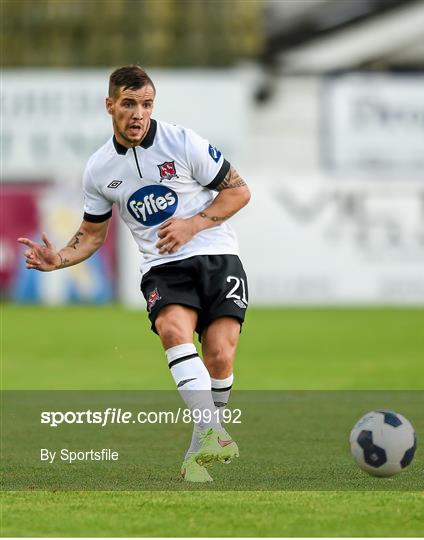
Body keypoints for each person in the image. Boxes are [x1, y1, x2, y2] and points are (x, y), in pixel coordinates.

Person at [18, 65, 251, 483]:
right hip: (162, 266)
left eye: (146, 104)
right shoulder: (100, 169)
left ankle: (200, 447)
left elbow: (238, 191)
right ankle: (214, 434)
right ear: (110, 106)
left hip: (216, 253)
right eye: (129, 104)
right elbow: (91, 235)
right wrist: (60, 260)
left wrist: (192, 225)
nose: (139, 113)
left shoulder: (182, 142)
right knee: (173, 331)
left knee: (220, 355)